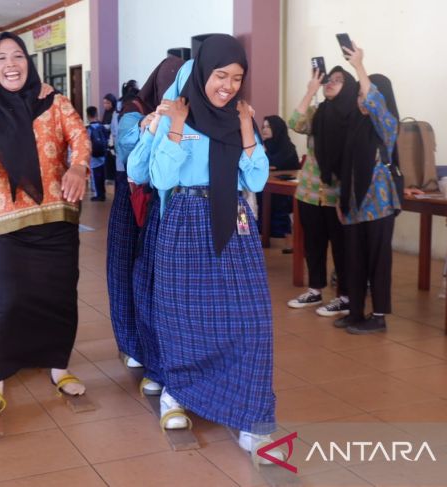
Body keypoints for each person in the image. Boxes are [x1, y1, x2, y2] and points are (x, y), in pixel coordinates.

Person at [147, 34, 283, 461]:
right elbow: (162, 179)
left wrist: (246, 131)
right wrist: (173, 127)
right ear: (203, 73)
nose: (227, 85)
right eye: (220, 75)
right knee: (186, 316)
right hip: (186, 221)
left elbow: (257, 181)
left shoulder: (240, 118)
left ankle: (252, 416)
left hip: (235, 223)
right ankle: (178, 393)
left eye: (236, 78)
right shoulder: (176, 116)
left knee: (252, 320)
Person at [0, 31, 91, 416]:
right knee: (11, 300)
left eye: (17, 56)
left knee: (60, 295)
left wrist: (79, 167)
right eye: (1, 58)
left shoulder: (54, 102)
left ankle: (59, 366)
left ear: (27, 62)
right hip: (10, 221)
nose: (10, 64)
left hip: (58, 216)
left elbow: (80, 138)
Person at [111, 55, 184, 395]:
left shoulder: (186, 111)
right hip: (132, 197)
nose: (170, 92)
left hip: (163, 201)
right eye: (166, 85)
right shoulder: (134, 108)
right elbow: (127, 150)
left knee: (158, 279)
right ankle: (132, 344)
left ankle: (162, 352)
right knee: (129, 271)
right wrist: (147, 126)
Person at [332, 44, 400, 334]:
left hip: (378, 204)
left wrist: (359, 66)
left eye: (363, 94)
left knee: (378, 262)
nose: (360, 100)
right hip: (354, 205)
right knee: (354, 260)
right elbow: (345, 167)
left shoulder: (386, 125)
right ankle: (356, 311)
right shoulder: (355, 127)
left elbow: (375, 103)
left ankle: (379, 316)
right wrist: (340, 199)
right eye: (359, 95)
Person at [286, 65, 357, 317]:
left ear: (348, 87)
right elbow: (294, 122)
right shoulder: (318, 112)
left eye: (338, 80)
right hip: (309, 192)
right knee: (313, 244)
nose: (331, 83)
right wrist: (310, 90)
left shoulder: (353, 116)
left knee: (341, 247)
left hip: (336, 194)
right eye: (329, 79)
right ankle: (314, 290)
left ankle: (345, 297)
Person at [257, 115, 299, 252]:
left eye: (268, 126)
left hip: (286, 190)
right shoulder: (264, 145)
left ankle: (288, 239)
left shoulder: (287, 147)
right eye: (263, 127)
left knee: (279, 201)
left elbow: (275, 164)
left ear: (277, 128)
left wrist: (266, 159)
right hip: (266, 186)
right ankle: (258, 237)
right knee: (248, 199)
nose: (264, 130)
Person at [86, 106, 108, 201]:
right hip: (103, 154)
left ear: (88, 116)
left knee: (95, 175)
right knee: (102, 174)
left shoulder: (89, 129)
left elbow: (87, 142)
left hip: (94, 156)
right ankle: (102, 192)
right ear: (96, 114)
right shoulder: (102, 127)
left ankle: (98, 194)